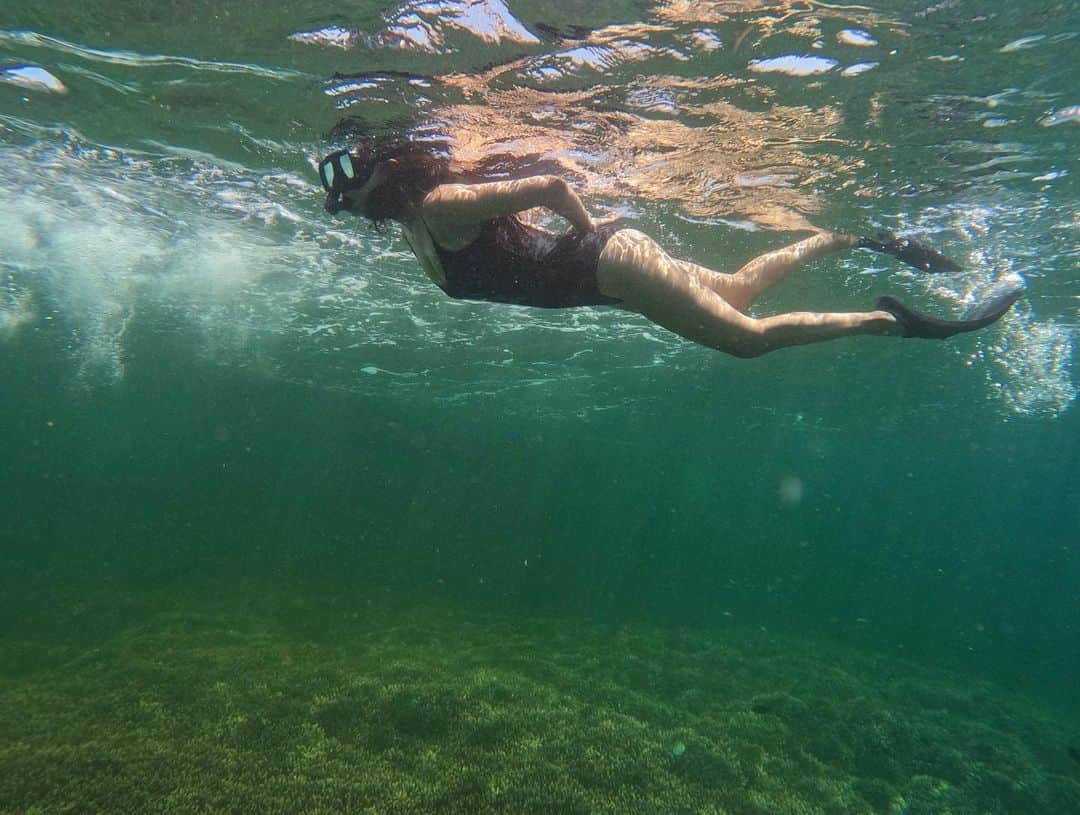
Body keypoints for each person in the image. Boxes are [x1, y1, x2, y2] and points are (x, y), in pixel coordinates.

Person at [317, 136, 1022, 358]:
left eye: (350, 179)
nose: (345, 197)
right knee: (742, 288)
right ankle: (847, 237)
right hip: (609, 271)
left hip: (610, 266)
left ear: (391, 167)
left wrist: (589, 243)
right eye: (338, 190)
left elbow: (552, 186)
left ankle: (892, 321)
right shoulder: (414, 223)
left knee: (747, 339)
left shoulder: (440, 205)